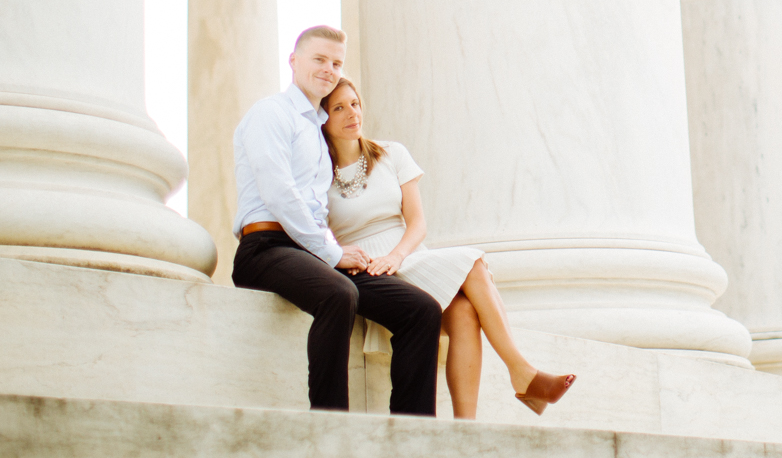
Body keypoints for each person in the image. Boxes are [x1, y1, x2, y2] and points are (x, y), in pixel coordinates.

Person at [322, 77, 576, 419]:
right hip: (366, 270)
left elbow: (417, 223)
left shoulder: (391, 153)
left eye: (355, 103)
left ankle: (467, 424)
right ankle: (522, 374)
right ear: (322, 118)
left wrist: (397, 256)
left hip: (406, 253)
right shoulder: (318, 174)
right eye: (339, 107)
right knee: (468, 284)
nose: (352, 113)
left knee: (467, 300)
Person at [231, 25, 442, 416]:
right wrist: (331, 251)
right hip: (265, 248)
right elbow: (279, 194)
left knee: (422, 310)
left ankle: (413, 431)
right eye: (319, 59)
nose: (328, 69)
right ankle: (330, 422)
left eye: (336, 62)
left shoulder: (317, 130)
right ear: (294, 61)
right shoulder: (270, 113)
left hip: (307, 252)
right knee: (339, 293)